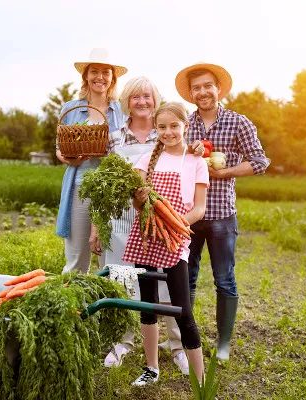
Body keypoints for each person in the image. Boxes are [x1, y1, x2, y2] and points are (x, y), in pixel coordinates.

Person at [91, 77, 195, 374]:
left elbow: (188, 160)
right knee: (122, 282)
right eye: (135, 97)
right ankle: (121, 342)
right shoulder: (114, 136)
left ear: (156, 99)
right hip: (121, 221)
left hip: (158, 223)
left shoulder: (165, 132)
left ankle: (178, 346)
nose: (142, 102)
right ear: (127, 102)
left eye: (147, 96)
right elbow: (103, 185)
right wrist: (97, 226)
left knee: (168, 286)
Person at [175, 63, 270, 361]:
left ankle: (223, 344)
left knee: (224, 279)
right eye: (196, 88)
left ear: (218, 89)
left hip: (221, 215)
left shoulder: (238, 122)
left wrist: (224, 172)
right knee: (185, 278)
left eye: (207, 86)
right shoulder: (184, 124)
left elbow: (259, 162)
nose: (202, 92)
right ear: (191, 94)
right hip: (189, 214)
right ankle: (186, 338)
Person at [123, 102, 209, 386]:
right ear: (156, 129)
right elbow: (138, 204)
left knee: (183, 310)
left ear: (185, 125)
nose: (168, 132)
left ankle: (200, 378)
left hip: (175, 236)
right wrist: (140, 197)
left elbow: (199, 209)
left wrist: (176, 224)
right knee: (147, 305)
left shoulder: (196, 162)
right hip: (146, 237)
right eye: (162, 127)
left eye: (174, 126)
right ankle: (151, 368)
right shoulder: (147, 160)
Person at [55, 48, 127, 273]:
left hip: (112, 191)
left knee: (110, 255)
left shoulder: (122, 111)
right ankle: (75, 306)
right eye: (94, 71)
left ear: (112, 78)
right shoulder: (71, 109)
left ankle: (107, 305)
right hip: (80, 187)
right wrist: (69, 159)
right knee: (76, 256)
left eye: (106, 72)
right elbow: (59, 149)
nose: (100, 77)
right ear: (86, 76)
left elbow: (130, 148)